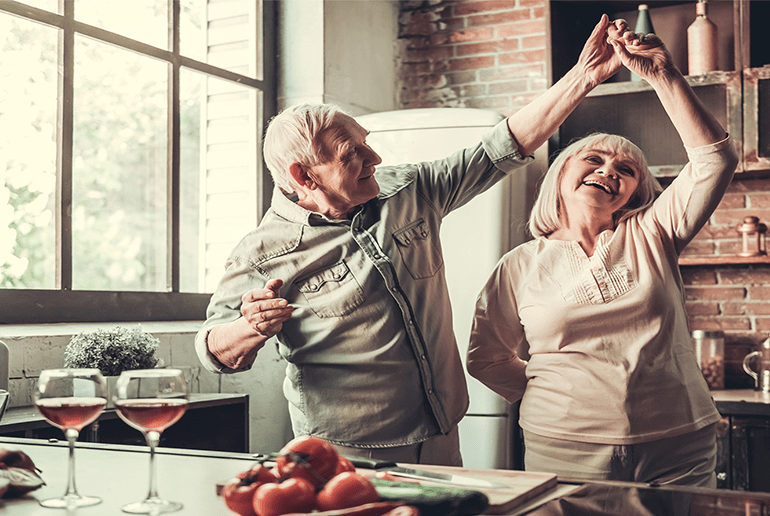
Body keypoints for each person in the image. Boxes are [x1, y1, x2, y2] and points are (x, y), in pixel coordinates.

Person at [195, 15, 626, 465]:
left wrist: (584, 76)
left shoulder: (407, 190)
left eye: (367, 143)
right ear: (304, 176)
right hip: (348, 451)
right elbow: (213, 352)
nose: (374, 158)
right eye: (352, 154)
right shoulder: (261, 253)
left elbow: (501, 146)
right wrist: (249, 327)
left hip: (442, 431)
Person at [466, 22, 739, 485]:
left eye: (626, 170)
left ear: (634, 193)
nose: (609, 170)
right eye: (594, 159)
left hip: (677, 443)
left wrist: (663, 75)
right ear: (560, 175)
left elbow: (714, 160)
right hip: (563, 447)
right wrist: (554, 396)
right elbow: (485, 358)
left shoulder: (653, 231)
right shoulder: (518, 266)